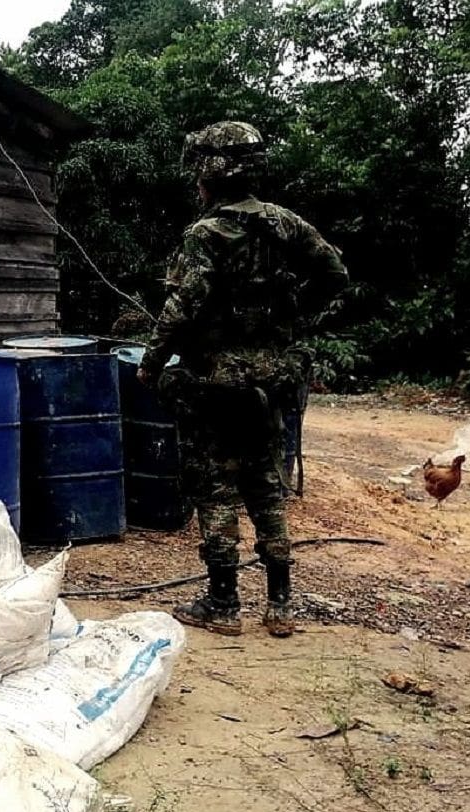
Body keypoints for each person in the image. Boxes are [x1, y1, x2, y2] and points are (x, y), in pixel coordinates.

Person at [136, 121, 347, 638]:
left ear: (209, 173)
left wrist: (150, 363)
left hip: (216, 383)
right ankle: (280, 606)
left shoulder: (206, 234)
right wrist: (291, 323)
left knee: (215, 491)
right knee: (267, 488)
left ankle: (223, 604)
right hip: (272, 380)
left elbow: (182, 307)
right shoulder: (286, 224)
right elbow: (335, 275)